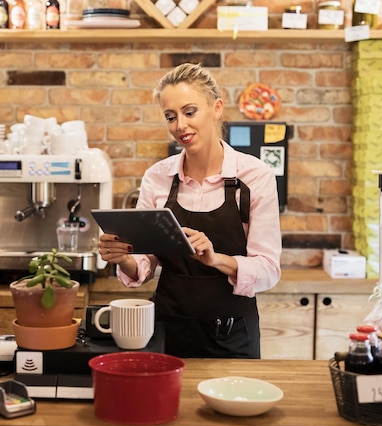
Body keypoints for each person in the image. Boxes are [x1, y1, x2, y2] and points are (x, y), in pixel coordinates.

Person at [98, 63, 282, 358]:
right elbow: (143, 263)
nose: (180, 125)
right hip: (167, 330)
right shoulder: (157, 177)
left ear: (217, 108)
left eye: (189, 112)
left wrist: (216, 259)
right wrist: (122, 259)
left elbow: (269, 269)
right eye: (170, 117)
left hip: (232, 335)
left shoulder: (255, 176)